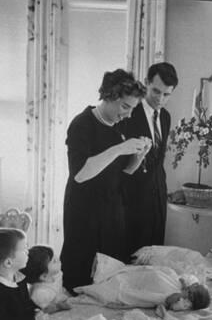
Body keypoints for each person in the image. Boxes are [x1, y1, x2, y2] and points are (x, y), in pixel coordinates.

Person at [60, 69, 151, 294]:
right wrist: (119, 148)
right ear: (109, 96)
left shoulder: (119, 126)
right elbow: (80, 174)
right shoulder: (81, 124)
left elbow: (125, 172)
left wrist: (138, 156)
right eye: (125, 107)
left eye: (132, 109)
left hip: (112, 211)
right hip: (84, 213)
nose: (128, 115)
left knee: (108, 279)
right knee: (80, 279)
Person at [119, 62, 178, 257]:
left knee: (153, 255)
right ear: (146, 84)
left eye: (167, 94)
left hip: (157, 196)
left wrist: (163, 193)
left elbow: (158, 159)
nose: (160, 99)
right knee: (131, 256)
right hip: (132, 197)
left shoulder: (166, 117)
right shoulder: (128, 113)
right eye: (156, 91)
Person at [73, 253, 210, 311]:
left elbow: (171, 303)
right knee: (115, 271)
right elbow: (187, 278)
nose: (190, 292)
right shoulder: (184, 281)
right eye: (193, 289)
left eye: (192, 295)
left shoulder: (182, 301)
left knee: (112, 288)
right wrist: (186, 285)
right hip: (145, 277)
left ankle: (94, 285)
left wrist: (181, 296)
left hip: (147, 290)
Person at [21, 245, 72, 313]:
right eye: (54, 261)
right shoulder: (40, 294)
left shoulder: (57, 274)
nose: (58, 258)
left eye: (55, 256)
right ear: (44, 276)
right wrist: (59, 306)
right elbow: (44, 310)